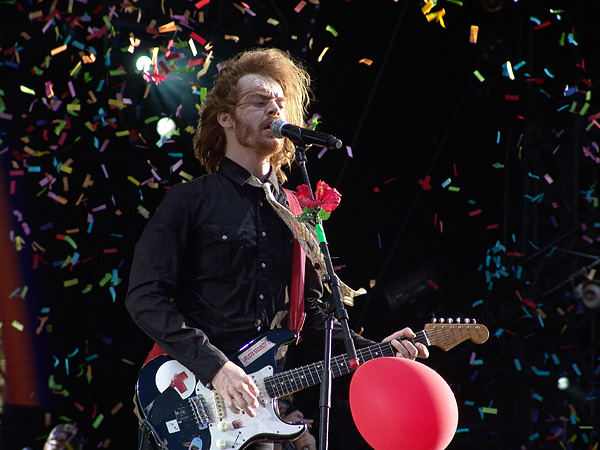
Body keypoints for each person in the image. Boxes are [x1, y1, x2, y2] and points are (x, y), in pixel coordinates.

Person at [125, 47, 429, 450]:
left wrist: (380, 351)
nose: (274, 109)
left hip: (256, 415)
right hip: (188, 401)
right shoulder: (189, 201)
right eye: (259, 101)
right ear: (225, 118)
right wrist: (217, 368)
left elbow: (315, 320)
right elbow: (144, 297)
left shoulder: (297, 212)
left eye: (280, 103)